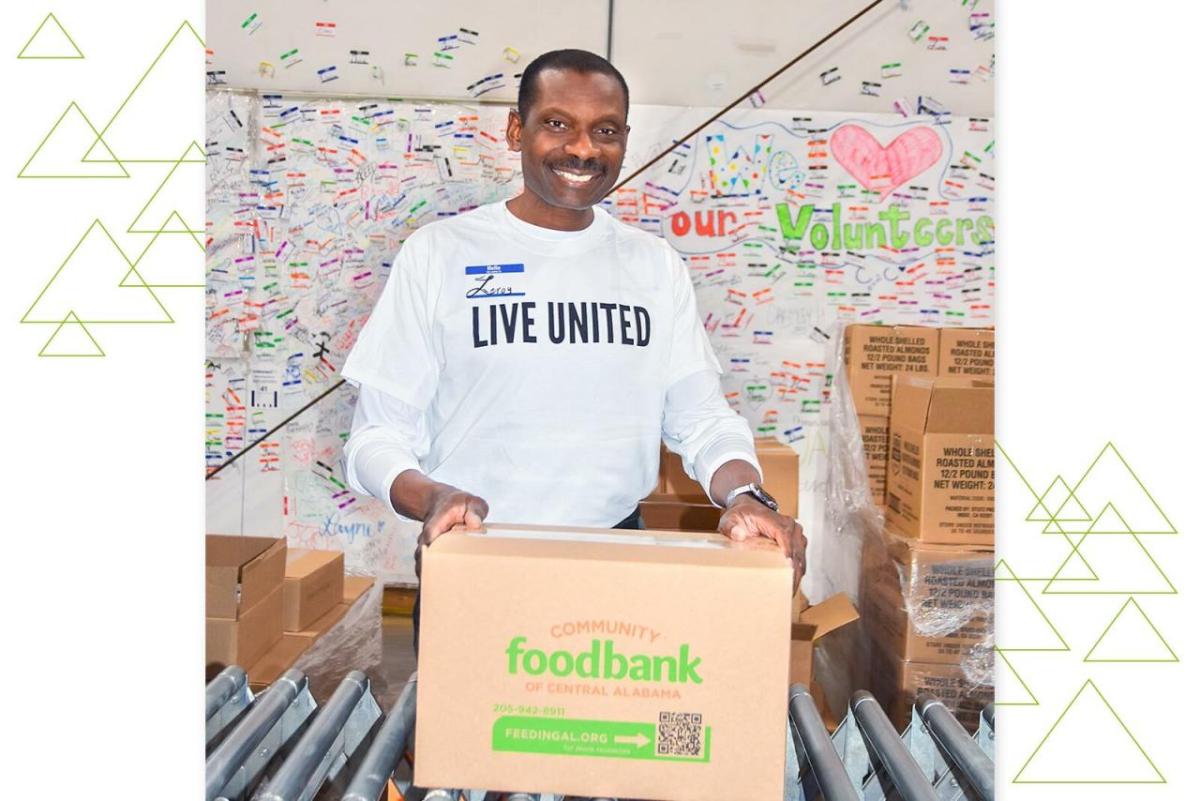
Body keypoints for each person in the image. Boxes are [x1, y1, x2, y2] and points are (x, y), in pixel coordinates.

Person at [341, 49, 806, 635]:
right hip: (476, 559)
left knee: (606, 728)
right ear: (517, 130)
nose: (583, 149)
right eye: (558, 123)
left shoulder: (653, 266)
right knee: (465, 729)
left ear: (625, 141)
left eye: (604, 131)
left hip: (616, 559)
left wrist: (745, 494)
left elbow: (703, 419)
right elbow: (375, 441)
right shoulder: (440, 255)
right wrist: (434, 498)